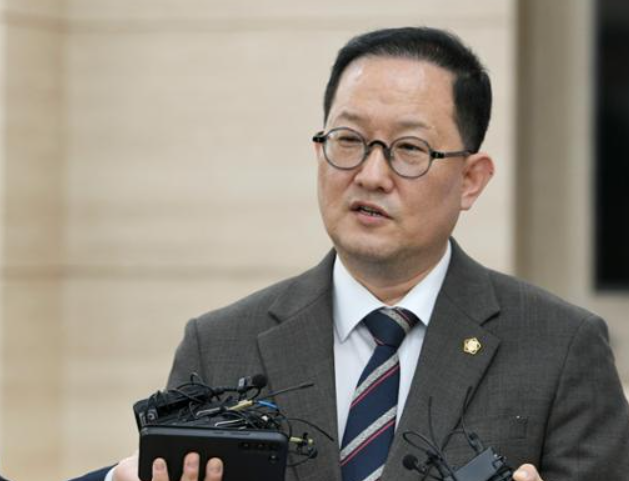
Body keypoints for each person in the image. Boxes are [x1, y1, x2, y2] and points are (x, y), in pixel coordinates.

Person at [71, 27, 629, 481]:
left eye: (408, 148)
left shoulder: (560, 349)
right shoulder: (220, 345)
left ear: (471, 180)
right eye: (349, 140)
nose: (371, 174)